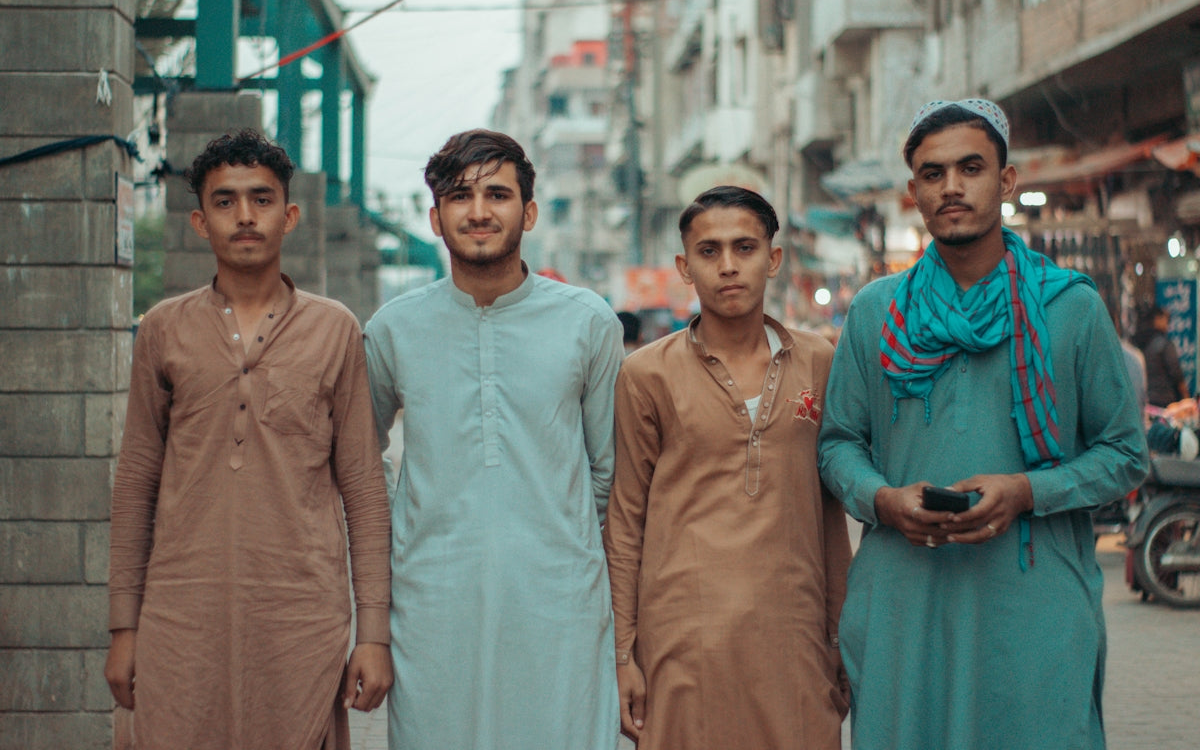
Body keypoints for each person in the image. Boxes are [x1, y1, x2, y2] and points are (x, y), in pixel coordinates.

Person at [818, 99, 1149, 750]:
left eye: (971, 168)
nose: (952, 187)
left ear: (1005, 180)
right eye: (933, 173)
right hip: (907, 603)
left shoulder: (1071, 309)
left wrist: (1027, 491)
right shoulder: (876, 313)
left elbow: (1124, 455)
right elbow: (837, 444)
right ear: (913, 191)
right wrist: (883, 499)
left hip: (1032, 601)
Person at [105, 129, 393, 749]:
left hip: (301, 615)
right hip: (181, 614)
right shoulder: (163, 329)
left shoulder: (334, 330)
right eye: (225, 201)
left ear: (289, 216)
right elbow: (136, 483)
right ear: (198, 222)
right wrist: (122, 628)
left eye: (261, 200)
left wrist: (373, 634)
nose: (244, 216)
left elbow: (365, 489)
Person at [363, 129, 622, 750]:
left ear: (528, 212)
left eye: (498, 195)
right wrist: (409, 527)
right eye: (459, 196)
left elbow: (610, 468)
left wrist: (559, 542)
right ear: (435, 217)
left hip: (560, 605)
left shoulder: (588, 322)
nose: (479, 212)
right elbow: (361, 462)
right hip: (431, 605)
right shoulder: (394, 329)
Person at [604, 186, 851, 749]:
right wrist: (624, 653)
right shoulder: (647, 375)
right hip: (682, 640)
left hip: (794, 635)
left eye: (744, 247)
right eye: (709, 251)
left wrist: (842, 631)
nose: (728, 266)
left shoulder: (818, 361)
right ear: (684, 267)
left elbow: (831, 513)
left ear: (774, 258)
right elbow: (625, 523)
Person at [1136, 305, 1189, 407]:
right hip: (1165, 400)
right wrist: (1186, 397)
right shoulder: (1164, 344)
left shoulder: (1139, 343)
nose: (1167, 324)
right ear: (1157, 319)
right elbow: (1176, 373)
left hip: (1145, 400)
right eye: (1166, 319)